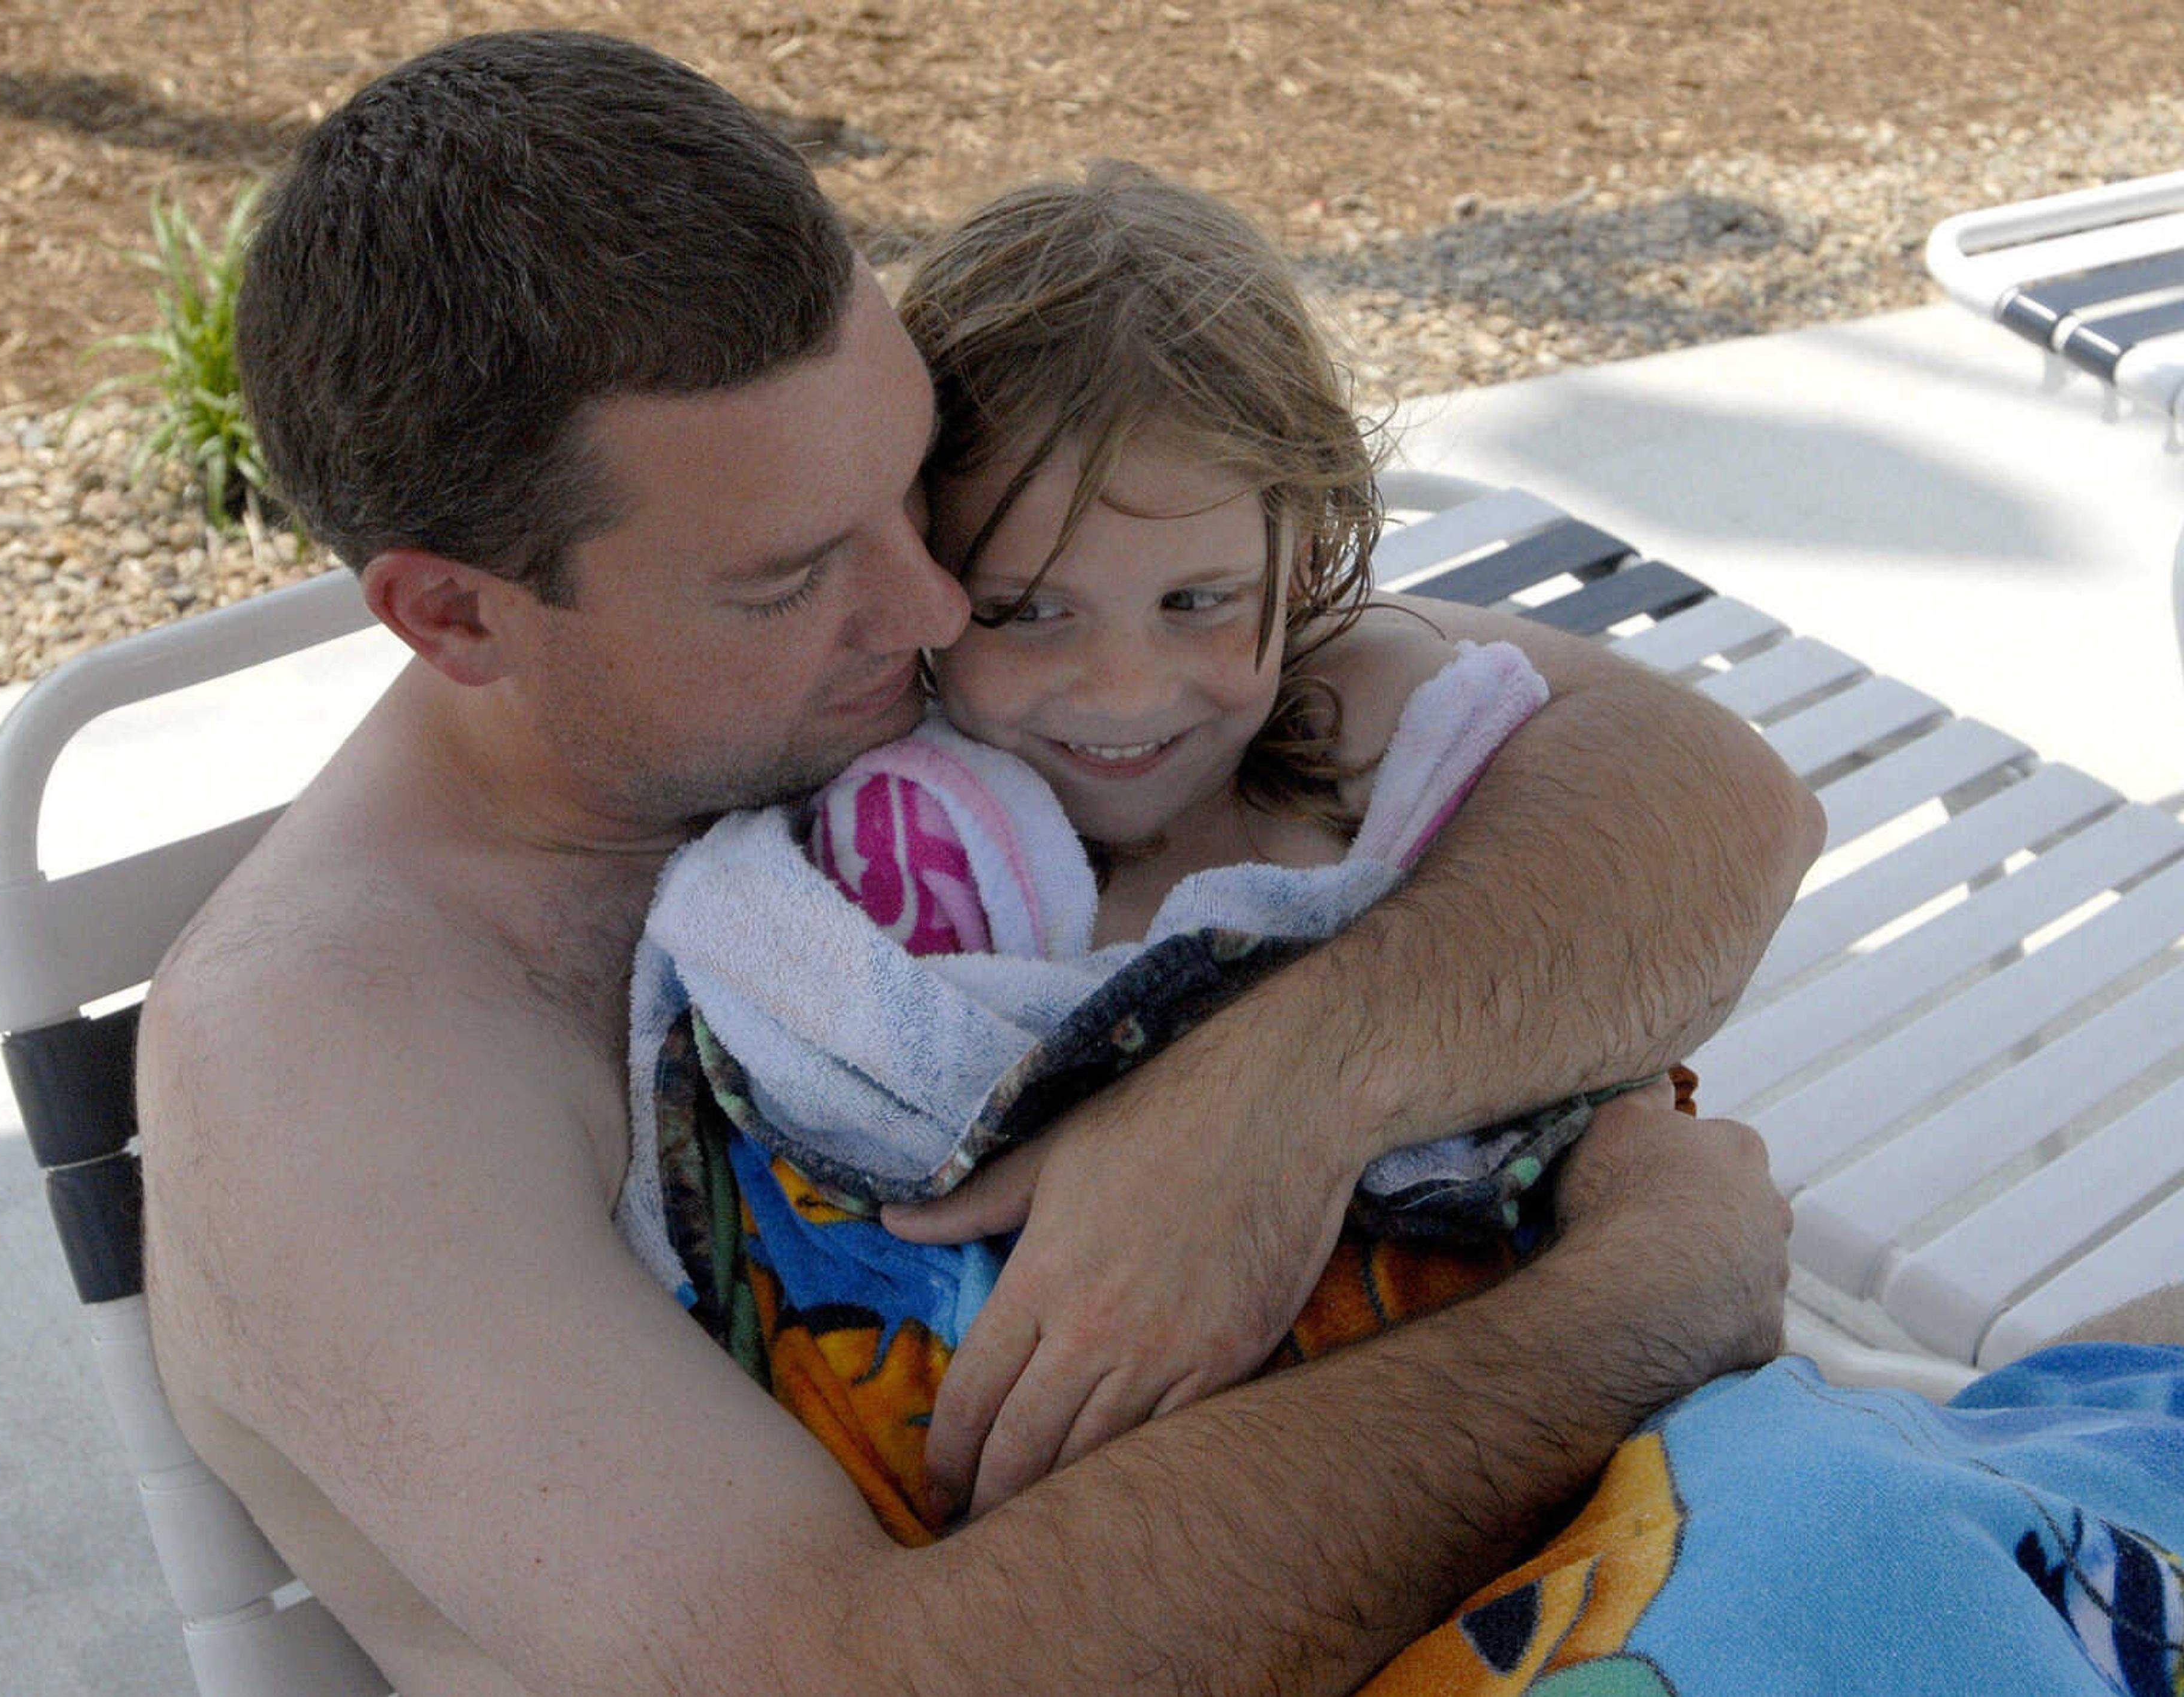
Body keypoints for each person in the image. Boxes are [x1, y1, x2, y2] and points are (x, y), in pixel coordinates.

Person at [138, 32, 1820, 1695]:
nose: (942, 607)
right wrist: (1626, 1319)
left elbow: (1706, 793)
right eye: (796, 569)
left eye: (911, 490)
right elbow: (849, 1674)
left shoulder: (887, 683)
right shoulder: (330, 1059)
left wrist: (1272, 1106)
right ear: (456, 613)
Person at [635, 163, 1691, 1534]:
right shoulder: (894, 858)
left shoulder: (1387, 764)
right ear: (919, 573)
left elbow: (1587, 1009)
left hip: (1524, 1466)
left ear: (1306, 555)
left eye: (1198, 600)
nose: (1128, 693)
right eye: (1026, 613)